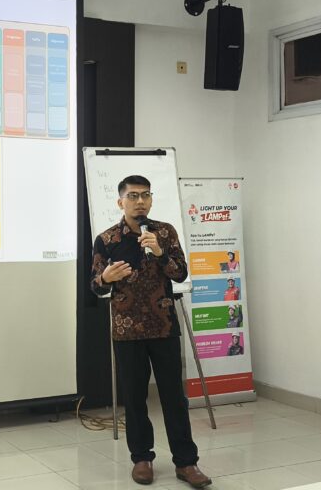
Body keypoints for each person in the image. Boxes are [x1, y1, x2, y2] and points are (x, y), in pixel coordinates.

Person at [91, 175, 212, 488]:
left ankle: (186, 462)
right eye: (133, 196)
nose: (140, 201)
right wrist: (105, 278)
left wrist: (160, 253)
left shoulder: (165, 232)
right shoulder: (106, 239)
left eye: (145, 195)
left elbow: (181, 273)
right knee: (135, 399)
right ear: (121, 202)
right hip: (127, 330)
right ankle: (142, 459)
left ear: (151, 199)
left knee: (174, 399)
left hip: (164, 326)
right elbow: (95, 286)